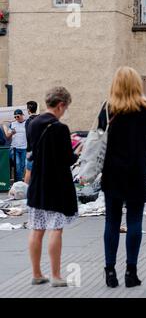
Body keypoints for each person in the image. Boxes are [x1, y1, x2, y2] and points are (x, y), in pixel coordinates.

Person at [99, 67, 146, 288]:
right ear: (137, 84)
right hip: (137, 172)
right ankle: (131, 272)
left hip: (113, 173)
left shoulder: (108, 110)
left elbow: (100, 136)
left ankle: (109, 272)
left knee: (112, 222)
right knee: (135, 221)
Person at [27, 87, 80, 287]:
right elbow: (67, 158)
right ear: (60, 105)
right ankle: (56, 275)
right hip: (56, 184)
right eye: (65, 108)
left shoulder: (33, 124)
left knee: (36, 228)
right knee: (55, 228)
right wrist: (78, 150)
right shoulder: (59, 128)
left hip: (37, 182)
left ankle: (37, 273)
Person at [5, 109, 27, 181]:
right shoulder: (13, 124)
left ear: (22, 115)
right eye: (15, 117)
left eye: (17, 116)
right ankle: (19, 182)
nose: (16, 118)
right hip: (14, 148)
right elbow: (7, 137)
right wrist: (12, 133)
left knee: (22, 166)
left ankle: (17, 182)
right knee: (17, 165)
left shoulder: (26, 123)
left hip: (24, 148)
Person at [24, 101, 40, 184]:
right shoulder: (41, 119)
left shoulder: (28, 121)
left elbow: (28, 136)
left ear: (28, 110)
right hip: (41, 149)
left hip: (31, 149)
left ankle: (25, 191)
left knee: (28, 171)